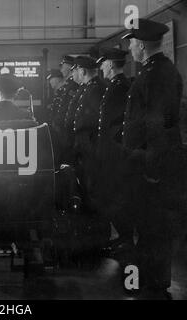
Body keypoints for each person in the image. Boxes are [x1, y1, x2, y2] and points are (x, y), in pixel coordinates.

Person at [121, 18, 184, 298]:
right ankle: (150, 278)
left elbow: (159, 126)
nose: (131, 47)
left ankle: (155, 283)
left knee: (155, 225)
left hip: (154, 167)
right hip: (147, 162)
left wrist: (151, 167)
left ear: (143, 45)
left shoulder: (158, 75)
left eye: (133, 42)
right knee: (148, 225)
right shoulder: (156, 71)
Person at [95, 47, 132, 257]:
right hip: (109, 150)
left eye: (103, 63)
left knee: (118, 196)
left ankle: (127, 239)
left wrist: (113, 147)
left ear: (110, 65)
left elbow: (120, 122)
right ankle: (123, 237)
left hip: (115, 152)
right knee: (112, 195)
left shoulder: (120, 87)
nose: (101, 67)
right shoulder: (114, 86)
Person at [71, 56, 106, 212]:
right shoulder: (89, 87)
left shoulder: (96, 88)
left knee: (92, 182)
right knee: (85, 180)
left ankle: (97, 219)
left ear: (83, 71)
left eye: (77, 70)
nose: (75, 73)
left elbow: (95, 120)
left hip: (90, 142)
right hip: (84, 142)